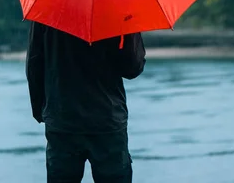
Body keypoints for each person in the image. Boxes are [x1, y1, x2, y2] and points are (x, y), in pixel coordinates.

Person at [26, 21, 146, 183]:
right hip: (107, 119)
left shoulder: (48, 7)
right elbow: (132, 68)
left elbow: (35, 62)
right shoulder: (117, 8)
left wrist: (41, 110)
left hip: (62, 118)